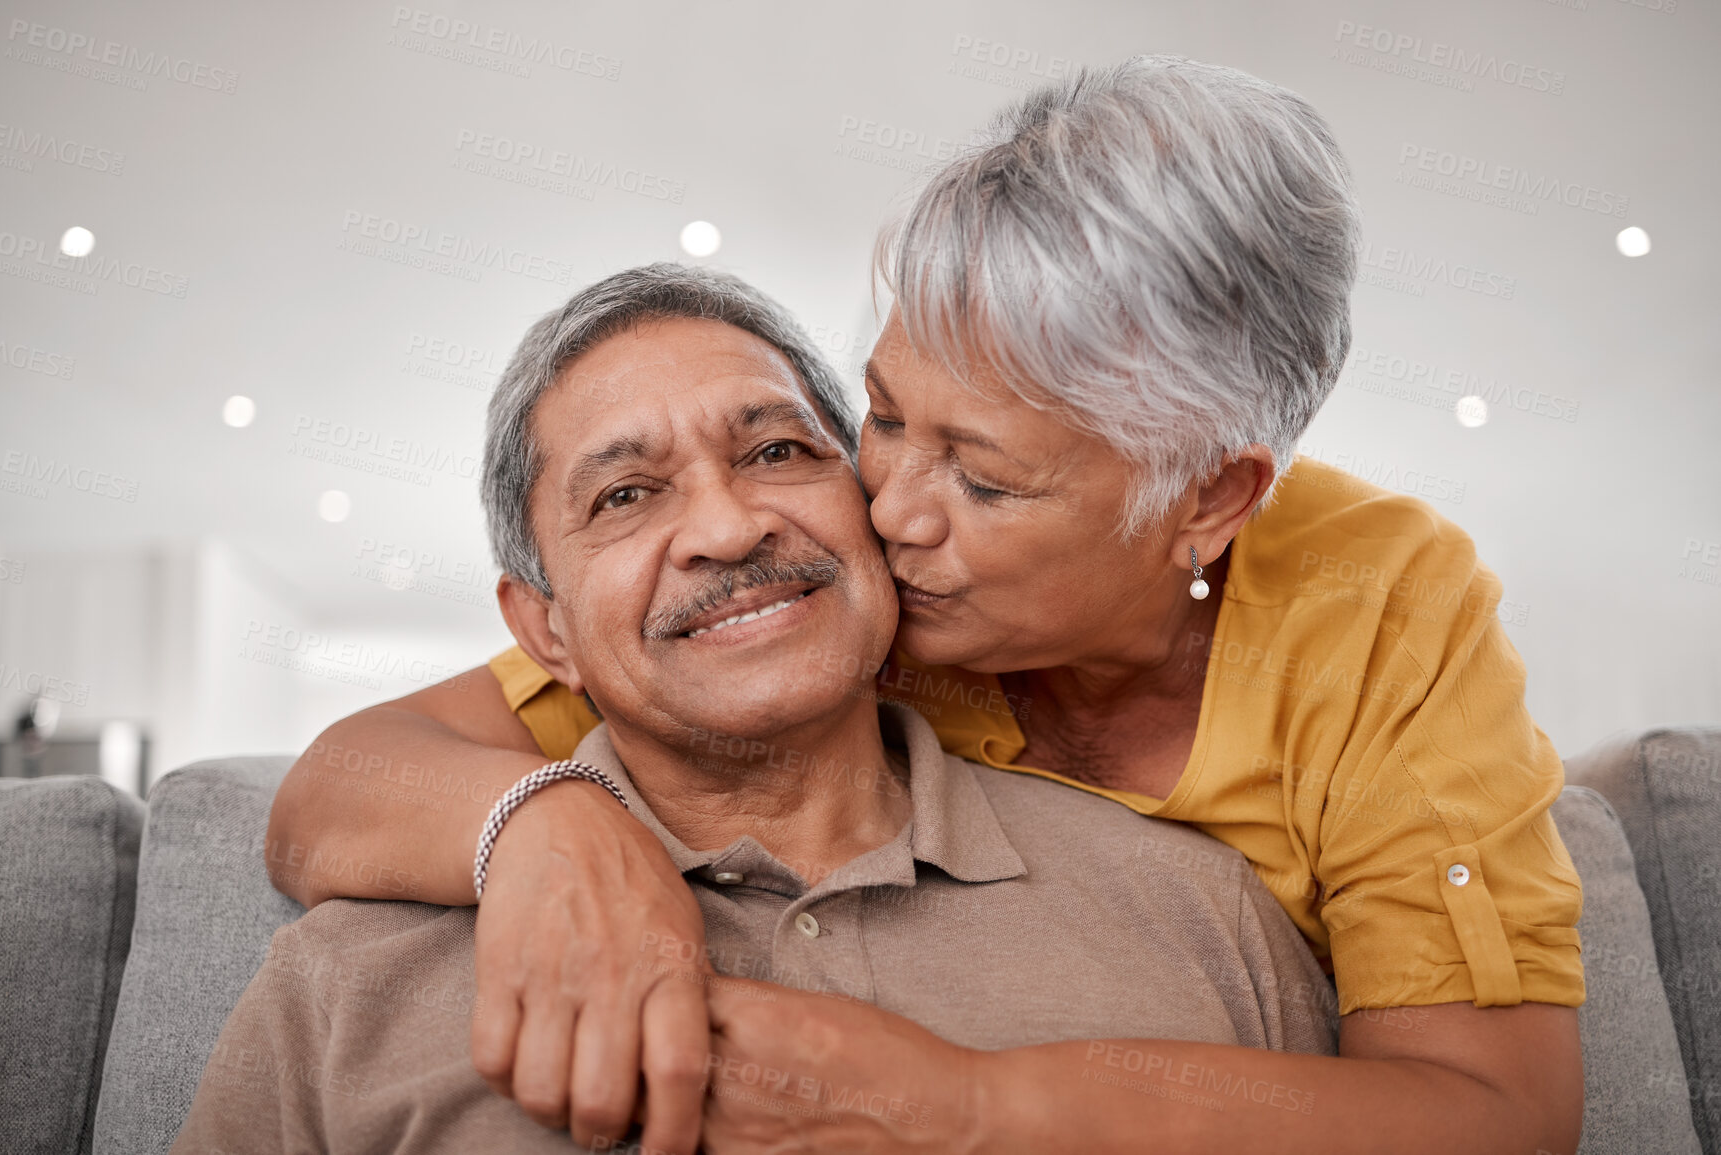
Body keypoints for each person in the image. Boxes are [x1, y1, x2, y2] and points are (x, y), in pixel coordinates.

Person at [267, 55, 1585, 1154]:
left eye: (981, 476)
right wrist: (541, 821)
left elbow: (1491, 1108)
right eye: (883, 417)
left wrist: (969, 1101)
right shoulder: (816, 605)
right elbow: (341, 781)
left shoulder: (1374, 612)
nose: (887, 506)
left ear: (1205, 500)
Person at [175, 267, 1338, 1155]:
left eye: (778, 450)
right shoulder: (345, 982)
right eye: (627, 495)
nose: (730, 529)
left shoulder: (1203, 913)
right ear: (544, 631)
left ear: (874, 510)